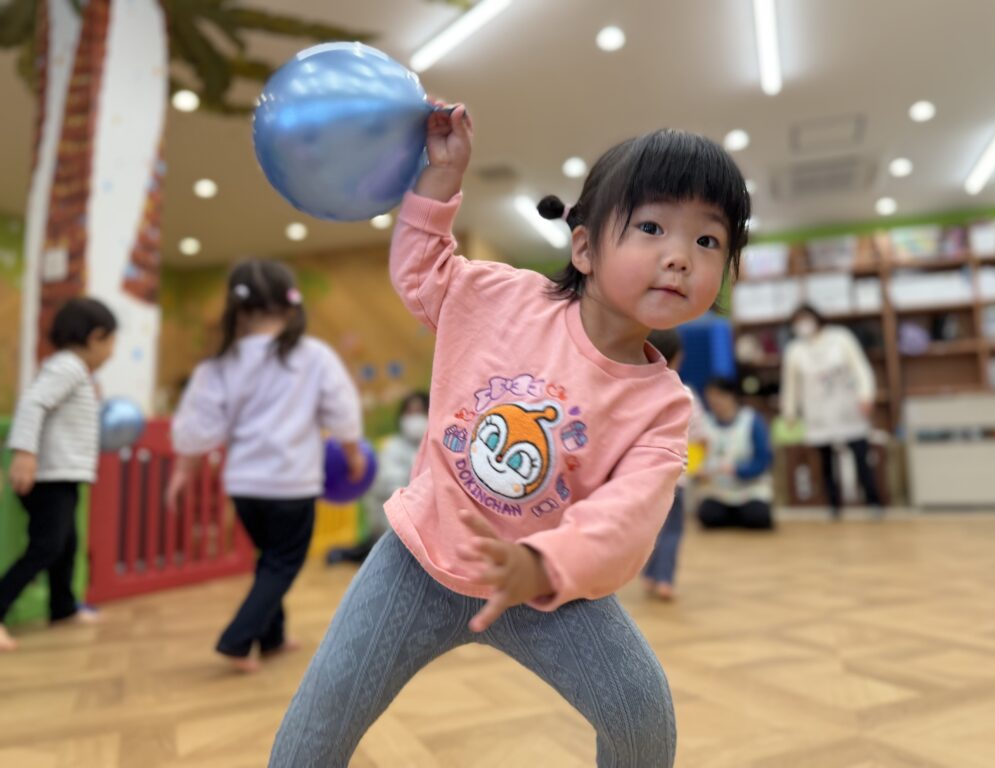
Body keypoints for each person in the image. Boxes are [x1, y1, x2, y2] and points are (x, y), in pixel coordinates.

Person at [269, 107, 750, 767]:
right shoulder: (501, 297)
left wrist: (544, 566)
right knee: (322, 718)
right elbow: (423, 273)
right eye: (651, 227)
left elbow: (629, 516)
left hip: (545, 584)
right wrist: (441, 180)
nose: (679, 256)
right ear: (584, 248)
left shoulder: (663, 405)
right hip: (417, 559)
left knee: (641, 716)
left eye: (708, 241)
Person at [166, 259, 366, 673]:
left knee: (270, 557)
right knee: (283, 562)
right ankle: (237, 640)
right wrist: (353, 455)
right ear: (292, 308)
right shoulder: (312, 356)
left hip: (244, 487)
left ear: (237, 310)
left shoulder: (220, 364)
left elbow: (198, 425)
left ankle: (273, 638)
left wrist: (183, 471)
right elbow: (342, 410)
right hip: (291, 484)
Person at [0, 298, 118, 652]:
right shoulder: (68, 367)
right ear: (95, 337)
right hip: (49, 476)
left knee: (66, 546)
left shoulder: (75, 372)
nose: (111, 352)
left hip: (63, 475)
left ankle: (63, 608)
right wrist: (24, 453)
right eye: (111, 343)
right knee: (46, 547)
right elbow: (33, 403)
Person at [780, 304, 881, 519]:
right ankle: (834, 505)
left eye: (805, 319)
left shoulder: (841, 338)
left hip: (847, 406)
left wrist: (866, 395)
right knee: (826, 462)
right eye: (797, 321)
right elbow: (790, 385)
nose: (803, 325)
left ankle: (873, 502)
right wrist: (789, 413)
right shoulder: (794, 349)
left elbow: (861, 368)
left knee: (861, 456)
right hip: (817, 412)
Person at [641, 329, 707, 600]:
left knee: (653, 530)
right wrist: (698, 466)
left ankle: (649, 574)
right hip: (674, 478)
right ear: (679, 357)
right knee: (672, 531)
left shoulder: (636, 390)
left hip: (642, 478)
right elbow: (701, 436)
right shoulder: (685, 394)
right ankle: (664, 581)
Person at [330, 390, 430, 563]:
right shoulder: (393, 447)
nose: (414, 419)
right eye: (410, 413)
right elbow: (394, 490)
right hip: (393, 529)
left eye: (419, 412)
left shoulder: (437, 449)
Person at [695, 377, 774, 530]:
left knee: (757, 516)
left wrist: (738, 470)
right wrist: (699, 471)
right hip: (718, 491)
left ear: (731, 396)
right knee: (709, 515)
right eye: (710, 398)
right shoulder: (704, 423)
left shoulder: (752, 420)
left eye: (719, 396)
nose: (714, 402)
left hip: (750, 490)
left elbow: (763, 460)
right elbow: (697, 456)